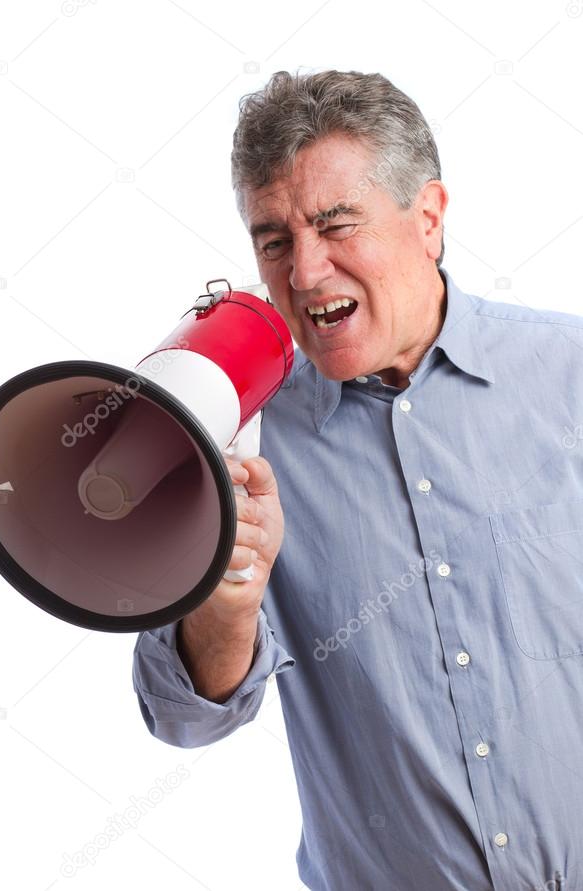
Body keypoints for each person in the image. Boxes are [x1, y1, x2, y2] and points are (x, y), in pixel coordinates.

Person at [132, 69, 583, 891]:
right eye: (273, 240)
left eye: (336, 224)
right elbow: (182, 716)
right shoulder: (242, 440)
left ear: (428, 218)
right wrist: (222, 599)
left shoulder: (570, 376)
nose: (304, 271)